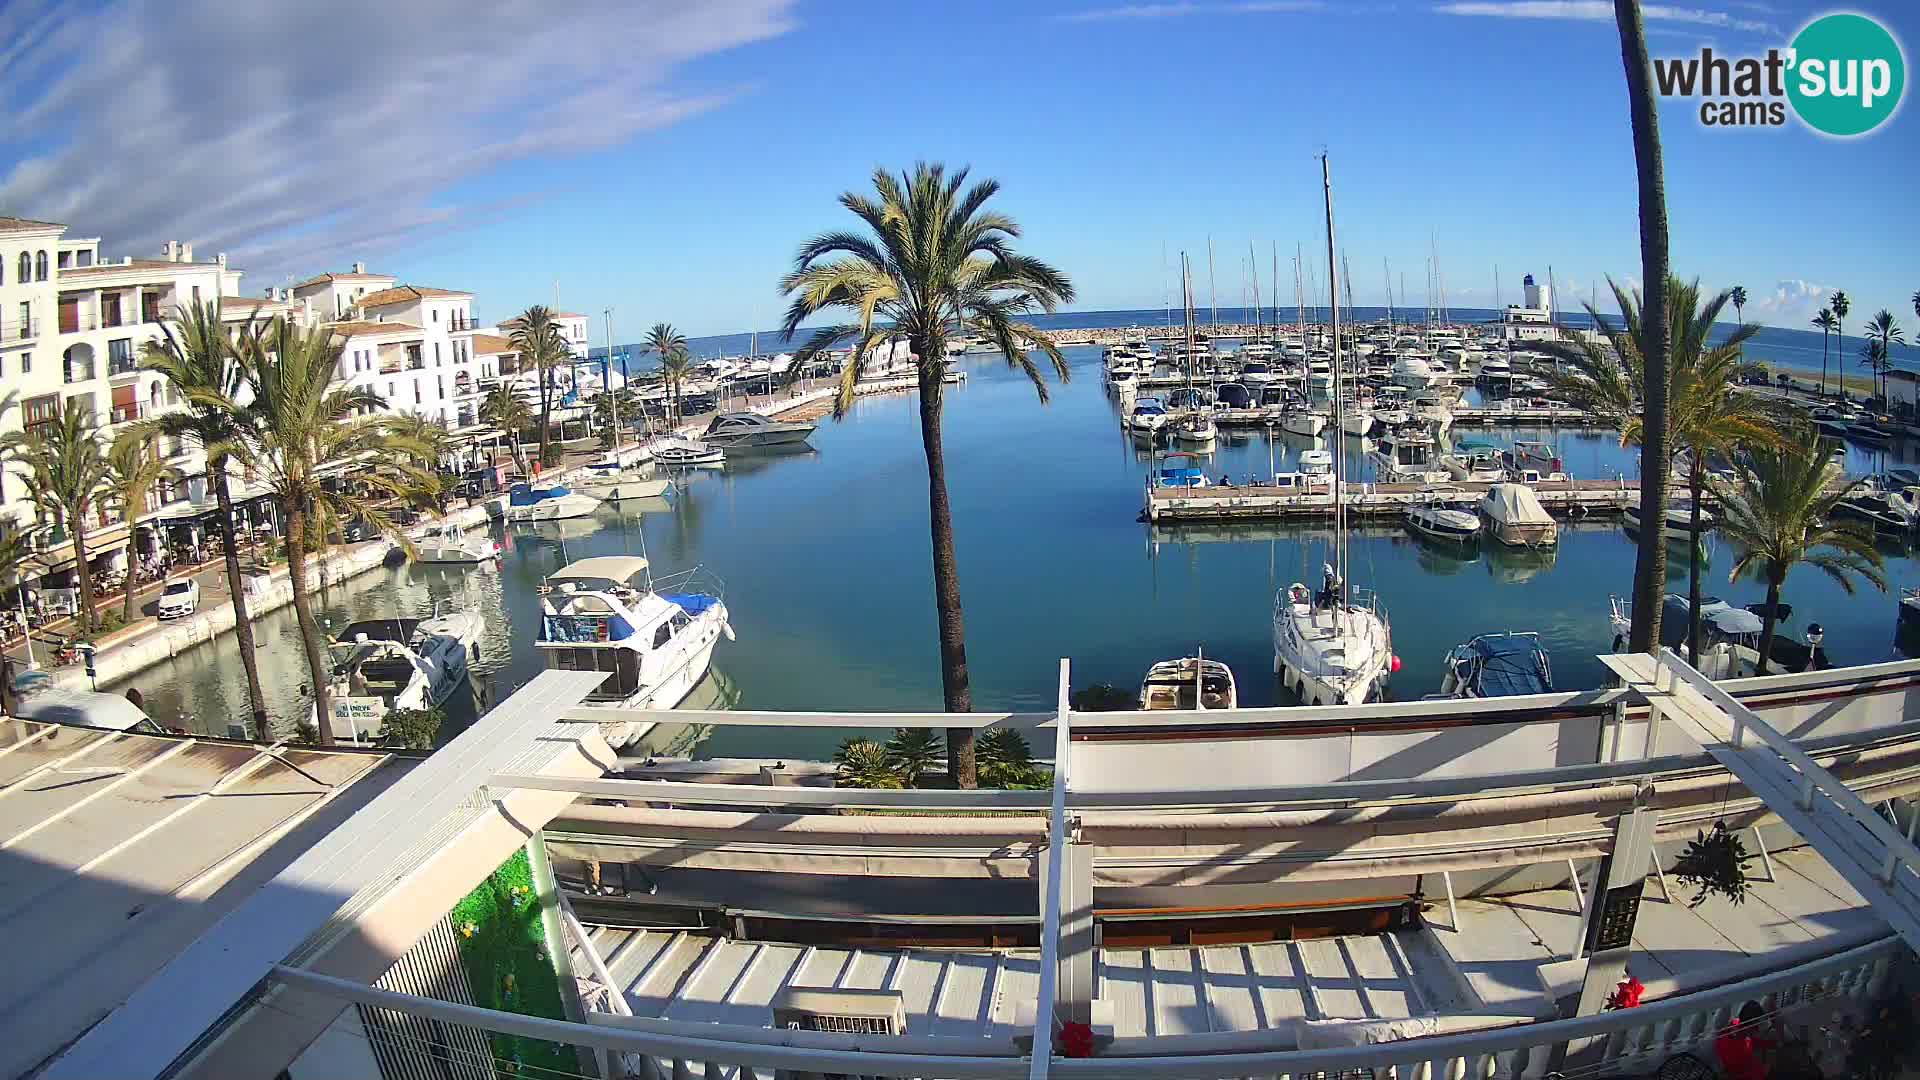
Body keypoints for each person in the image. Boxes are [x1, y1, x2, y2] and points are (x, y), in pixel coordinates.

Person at [1714, 1002, 1773, 1080]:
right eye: (1759, 1024)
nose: (1760, 1027)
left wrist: (1771, 1044)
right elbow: (1738, 1075)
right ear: (1751, 1026)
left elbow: (1752, 1040)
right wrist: (1764, 1071)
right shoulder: (1734, 1049)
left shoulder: (1736, 1024)